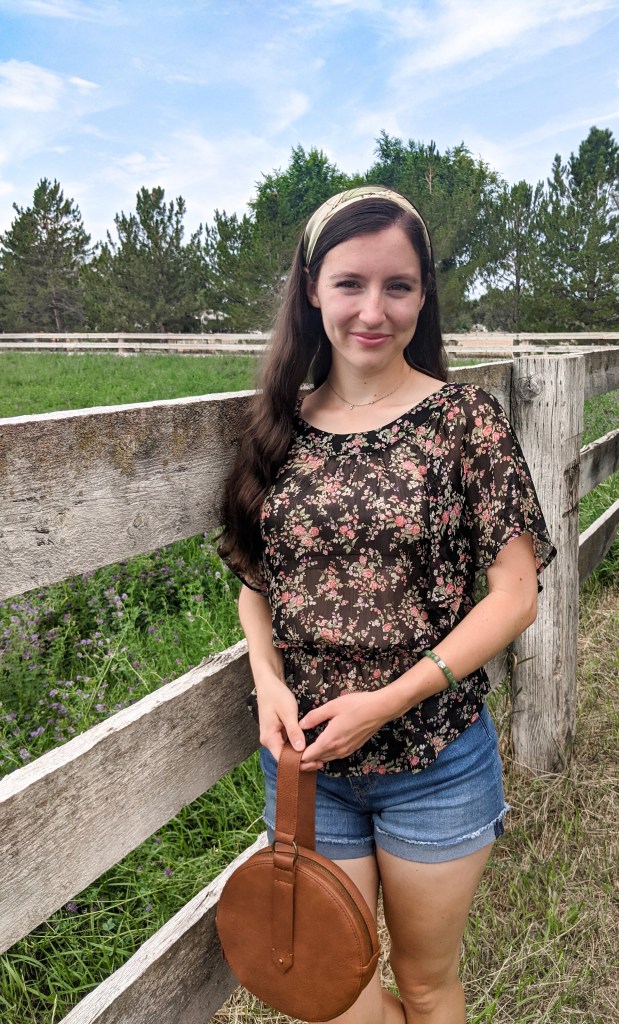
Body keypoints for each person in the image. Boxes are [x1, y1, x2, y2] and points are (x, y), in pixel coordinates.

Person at [218, 185, 555, 1024]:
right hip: (309, 773)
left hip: (435, 764)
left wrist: (390, 701)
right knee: (335, 993)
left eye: (398, 286)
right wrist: (266, 681)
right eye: (350, 284)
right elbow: (255, 587)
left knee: (429, 982)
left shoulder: (462, 421)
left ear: (422, 295)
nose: (375, 309)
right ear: (311, 290)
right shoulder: (275, 427)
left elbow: (516, 597)